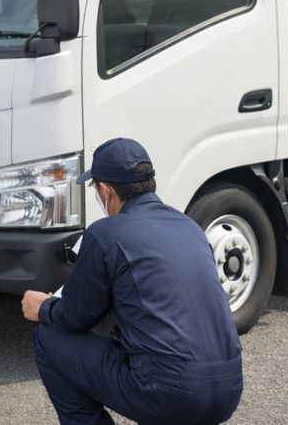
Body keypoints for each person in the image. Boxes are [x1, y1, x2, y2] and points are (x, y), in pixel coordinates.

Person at [21, 138, 243, 425]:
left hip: (170, 392)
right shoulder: (189, 227)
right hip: (228, 388)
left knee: (49, 339)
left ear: (105, 190)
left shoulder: (104, 233)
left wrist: (43, 307)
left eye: (96, 189)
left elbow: (75, 318)